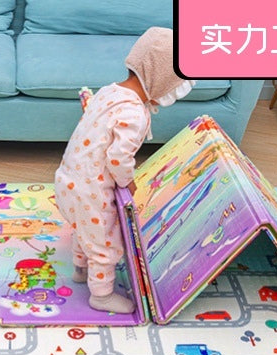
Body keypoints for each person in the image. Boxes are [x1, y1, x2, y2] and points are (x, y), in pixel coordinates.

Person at [54, 26, 194, 313]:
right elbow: (118, 157)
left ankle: (81, 269)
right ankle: (101, 295)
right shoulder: (134, 113)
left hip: (67, 180)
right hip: (91, 191)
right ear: (161, 83)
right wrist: (127, 181)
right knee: (106, 243)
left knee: (85, 228)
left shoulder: (109, 91)